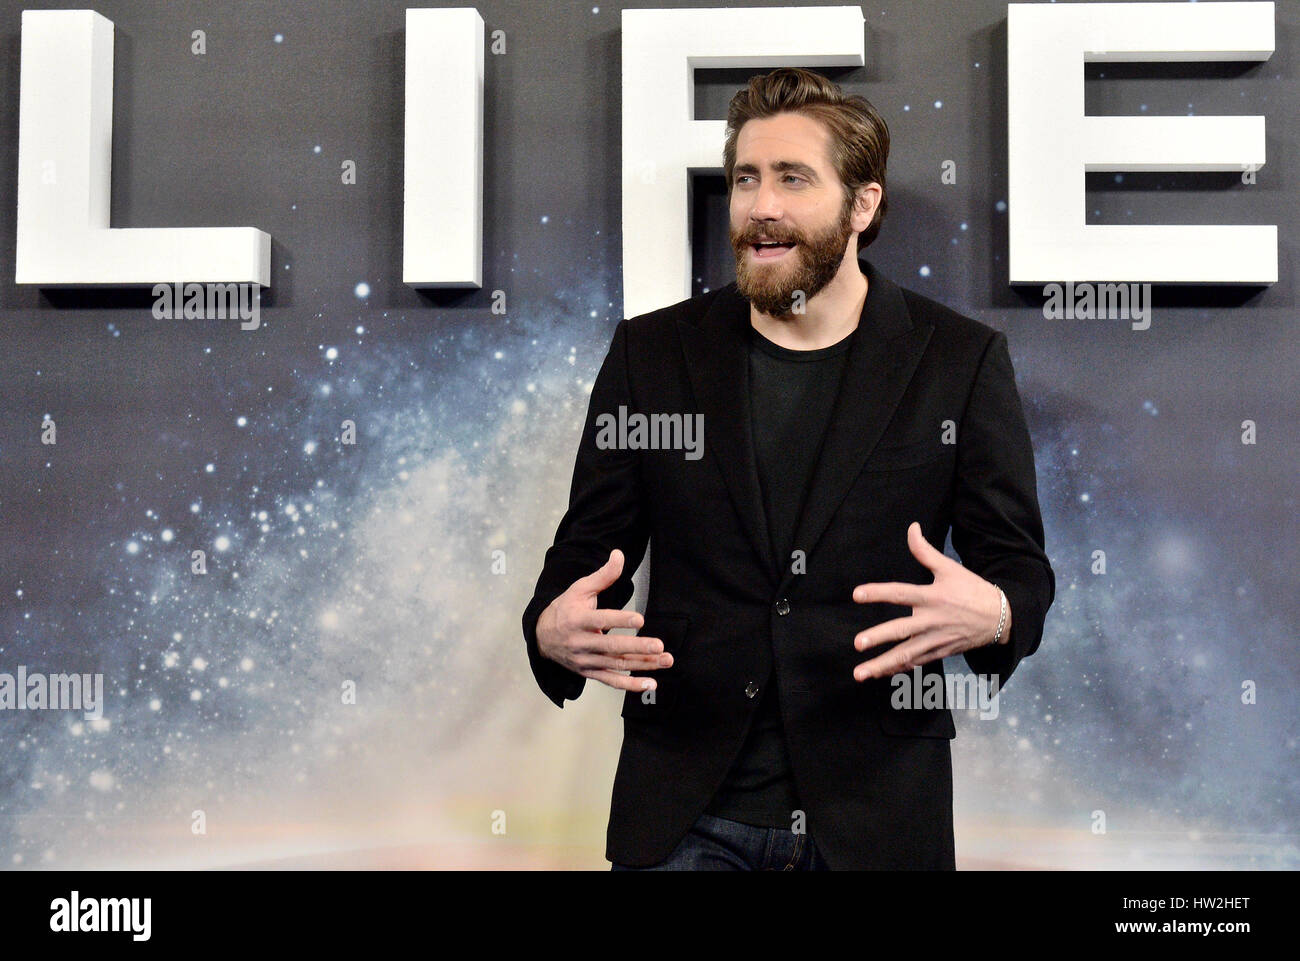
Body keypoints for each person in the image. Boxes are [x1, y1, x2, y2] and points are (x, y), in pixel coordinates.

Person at [522, 67, 1055, 870]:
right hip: (686, 816)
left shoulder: (959, 362)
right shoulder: (653, 355)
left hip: (875, 820)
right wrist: (548, 627)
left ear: (862, 204)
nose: (760, 206)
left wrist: (1000, 615)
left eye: (792, 179)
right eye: (745, 179)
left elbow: (1018, 568)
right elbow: (584, 554)